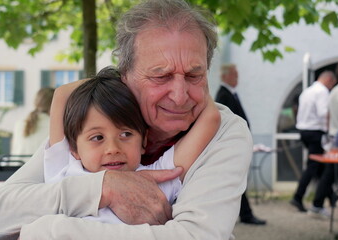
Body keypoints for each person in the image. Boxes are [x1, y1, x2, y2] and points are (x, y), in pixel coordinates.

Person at [0, 1, 253, 239]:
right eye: (161, 76)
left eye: (194, 75)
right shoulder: (93, 124)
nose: (180, 96)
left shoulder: (226, 134)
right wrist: (103, 188)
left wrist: (50, 230)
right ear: (125, 77)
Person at [44, 67, 219, 224]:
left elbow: (211, 118)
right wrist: (122, 82)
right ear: (74, 149)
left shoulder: (154, 181)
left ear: (144, 141)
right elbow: (61, 94)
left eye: (126, 134)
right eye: (97, 137)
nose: (113, 148)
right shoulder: (64, 170)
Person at [215, 64, 267, 225]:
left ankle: (243, 214)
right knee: (235, 182)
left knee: (235, 182)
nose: (237, 78)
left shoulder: (230, 94)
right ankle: (245, 214)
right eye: (234, 75)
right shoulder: (224, 95)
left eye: (237, 75)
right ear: (225, 77)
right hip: (231, 146)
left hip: (236, 145)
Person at [290, 71, 337, 212]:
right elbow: (323, 113)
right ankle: (298, 196)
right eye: (332, 85)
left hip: (304, 130)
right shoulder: (322, 92)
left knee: (320, 167)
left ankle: (331, 197)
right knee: (313, 166)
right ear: (329, 80)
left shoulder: (307, 91)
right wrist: (331, 129)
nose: (330, 88)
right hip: (315, 132)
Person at [308, 63, 338, 218]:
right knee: (331, 174)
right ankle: (318, 204)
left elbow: (328, 116)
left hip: (335, 135)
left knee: (329, 173)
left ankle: (317, 204)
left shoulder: (334, 91)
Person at [11, 87, 55, 156]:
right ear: (54, 105)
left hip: (16, 166)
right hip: (39, 167)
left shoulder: (20, 123)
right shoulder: (55, 127)